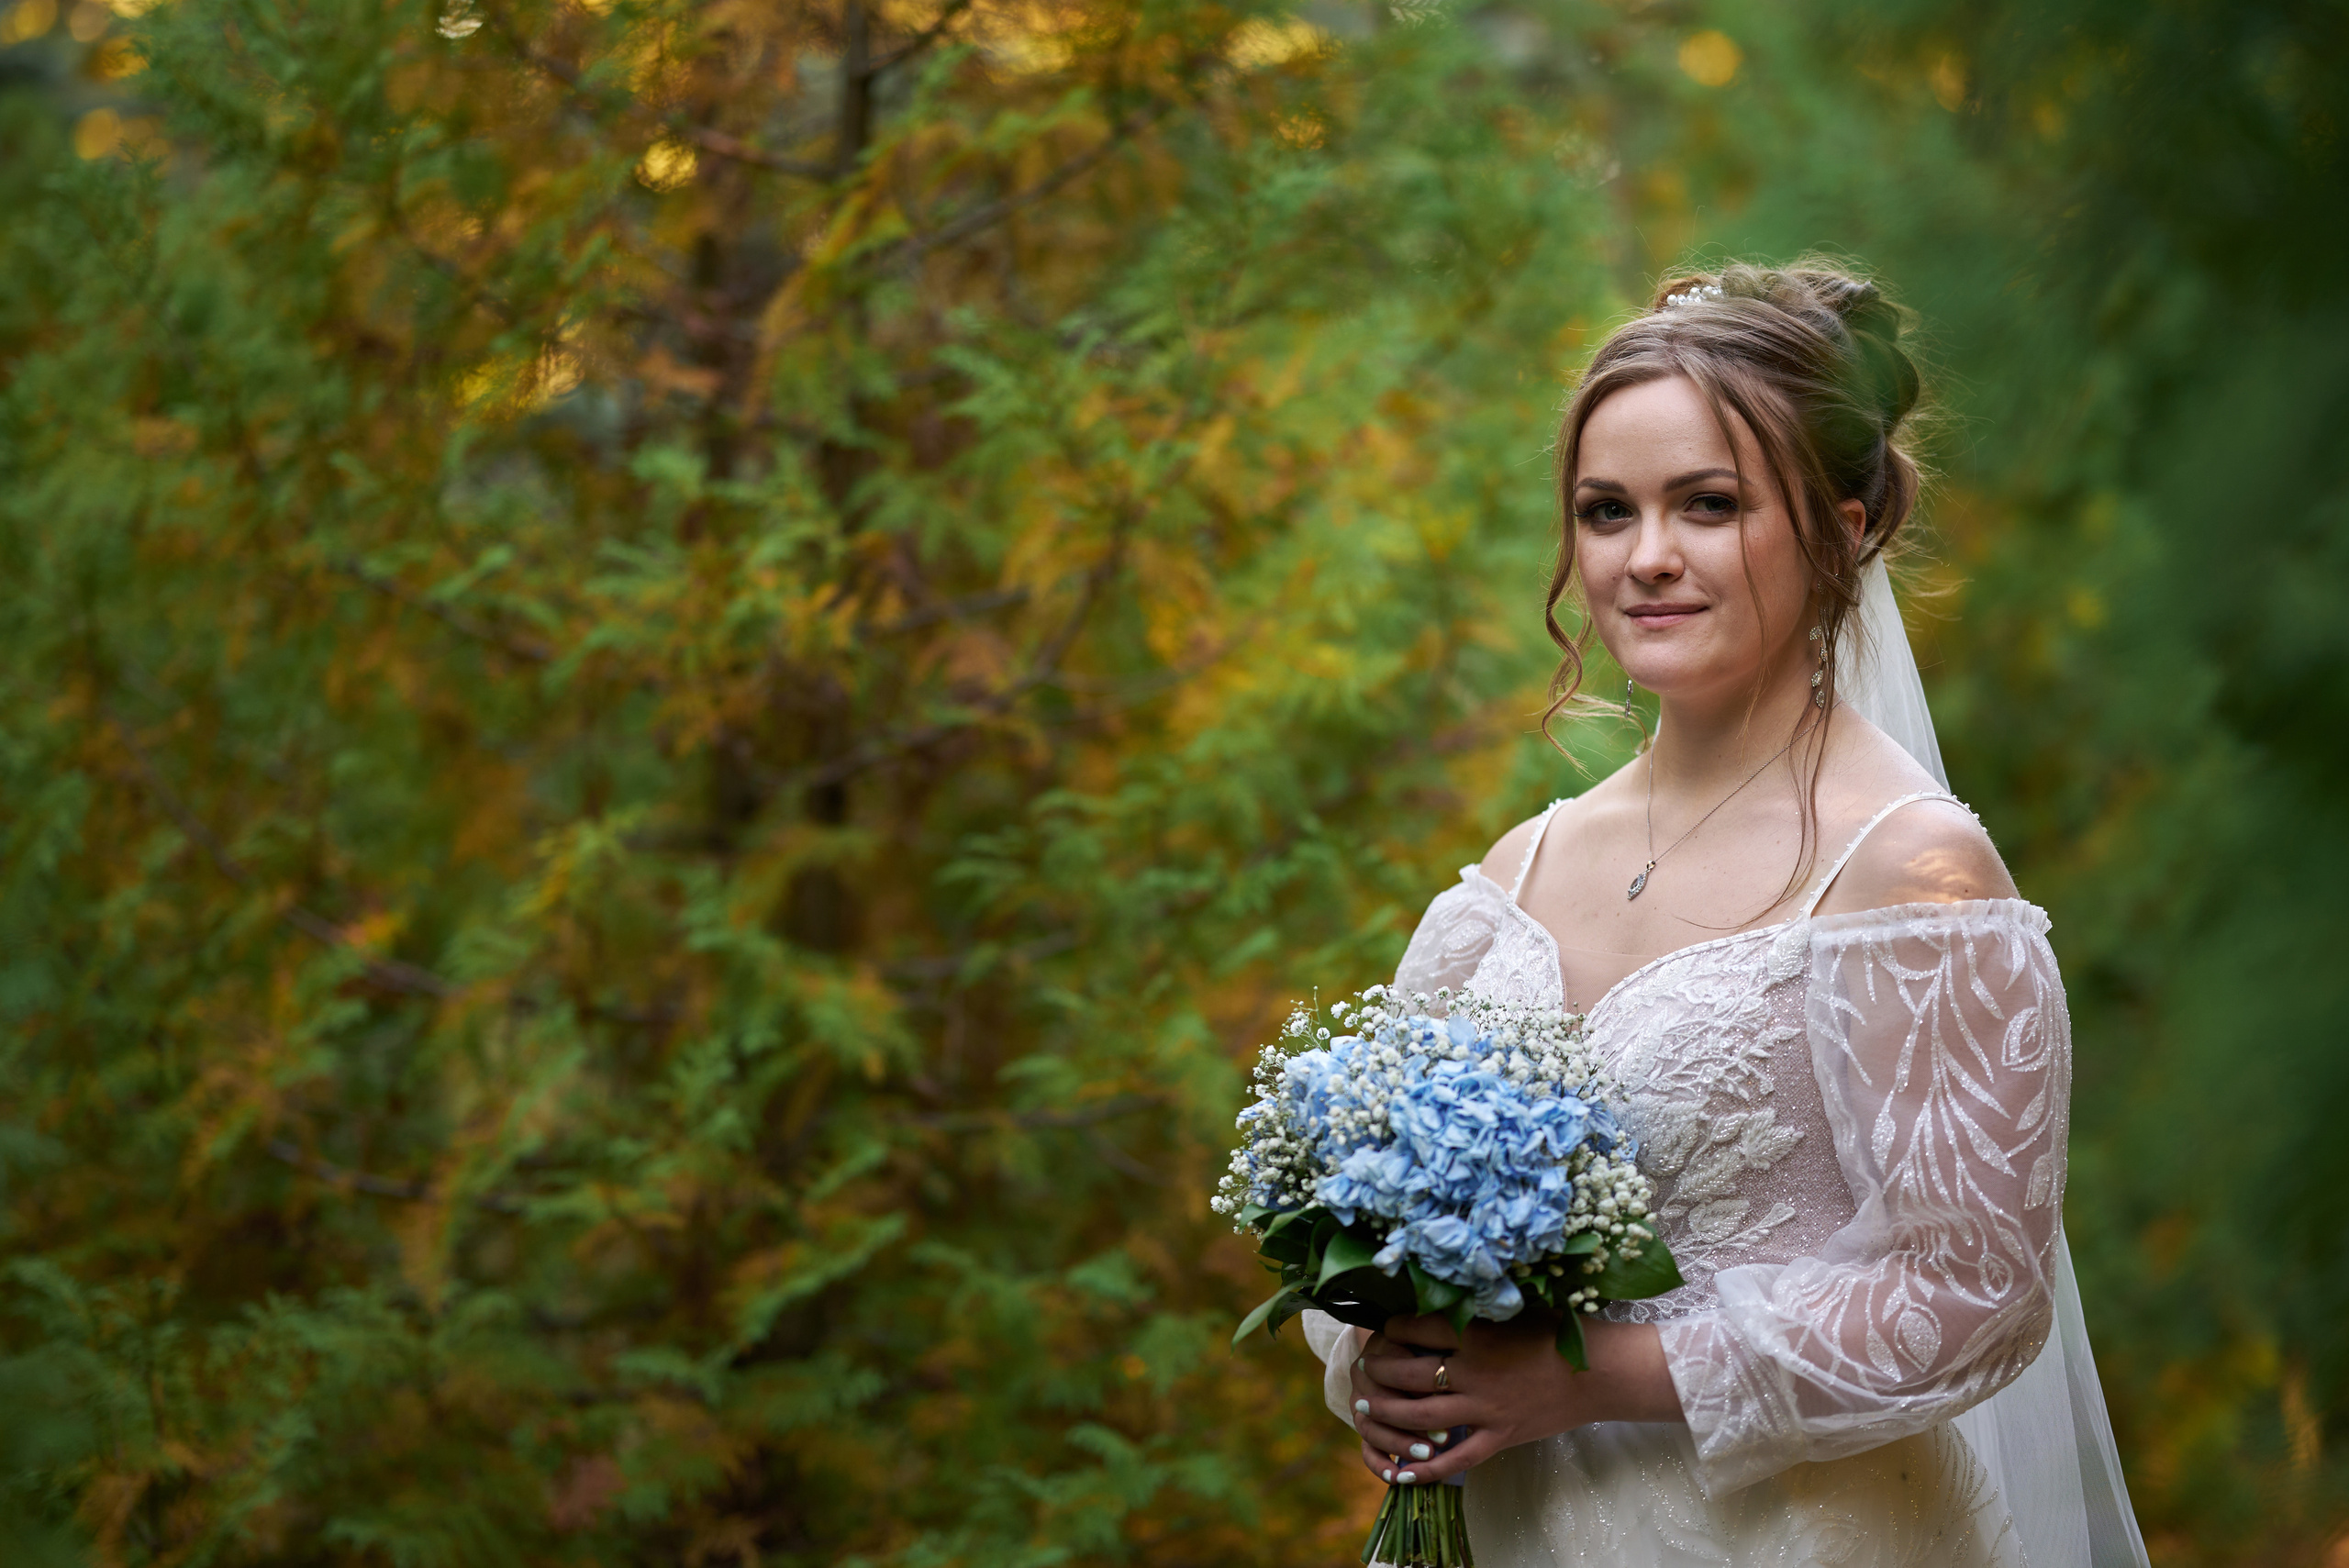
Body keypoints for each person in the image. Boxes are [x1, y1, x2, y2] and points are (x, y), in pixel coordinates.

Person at [1298, 261, 2151, 1567]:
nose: (1646, 557)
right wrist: (1390, 1353)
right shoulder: (1513, 879)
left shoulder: (1913, 876)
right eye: (1607, 511)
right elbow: (1359, 1210)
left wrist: (1585, 1379)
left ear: (1839, 530)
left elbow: (1972, 1295)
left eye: (1708, 504)